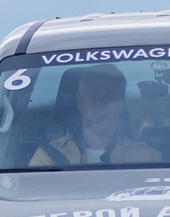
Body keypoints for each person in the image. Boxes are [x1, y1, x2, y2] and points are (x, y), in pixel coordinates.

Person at [30, 68, 161, 166]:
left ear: (121, 106)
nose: (100, 105)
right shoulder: (47, 158)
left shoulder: (146, 158)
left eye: (109, 98)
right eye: (93, 97)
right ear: (80, 102)